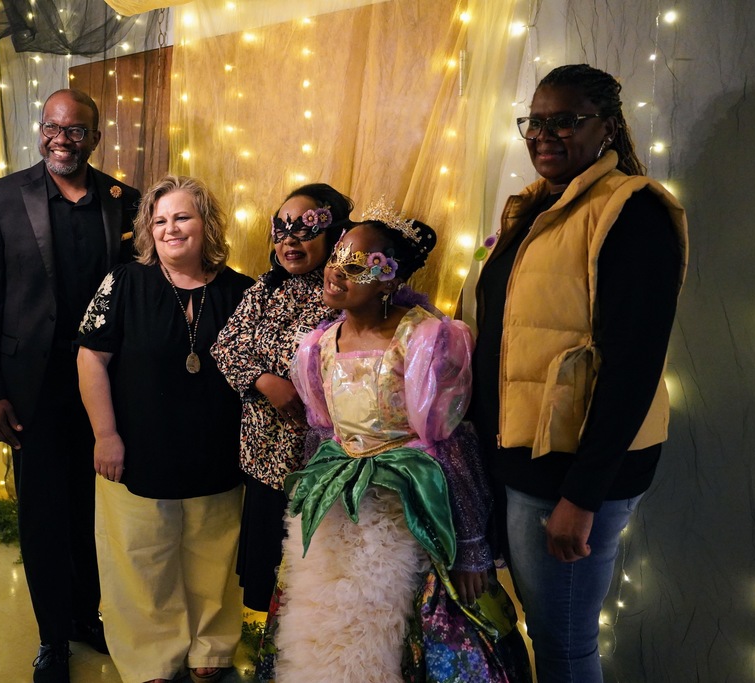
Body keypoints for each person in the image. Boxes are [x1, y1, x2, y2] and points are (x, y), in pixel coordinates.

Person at [470, 64, 688, 682]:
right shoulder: (536, 208)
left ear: (606, 127)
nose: (544, 135)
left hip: (567, 470)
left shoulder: (630, 212)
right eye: (535, 122)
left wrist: (581, 495)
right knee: (542, 630)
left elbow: (633, 365)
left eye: (565, 121)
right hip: (518, 458)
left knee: (562, 643)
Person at [272, 206, 530, 682]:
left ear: (388, 280)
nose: (336, 271)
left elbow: (451, 447)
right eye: (337, 257)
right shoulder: (316, 347)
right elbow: (323, 436)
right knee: (332, 625)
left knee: (408, 627)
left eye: (356, 264)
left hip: (411, 507)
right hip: (342, 510)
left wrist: (470, 545)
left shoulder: (425, 340)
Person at [0, 89, 141, 683]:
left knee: (94, 511)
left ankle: (87, 617)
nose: (61, 139)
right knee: (43, 515)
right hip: (30, 389)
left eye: (76, 130)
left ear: (95, 137)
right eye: (52, 127)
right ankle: (51, 638)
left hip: (104, 387)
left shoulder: (123, 201)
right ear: (41, 130)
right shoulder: (1, 197)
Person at [76, 174, 254, 683]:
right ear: (147, 231)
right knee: (141, 558)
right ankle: (152, 656)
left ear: (206, 224)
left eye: (181, 217)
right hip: (137, 448)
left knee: (214, 556)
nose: (170, 229)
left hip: (217, 450)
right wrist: (105, 435)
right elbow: (90, 360)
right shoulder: (124, 283)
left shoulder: (243, 291)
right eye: (159, 221)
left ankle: (210, 648)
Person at [210, 183, 353, 617]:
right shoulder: (266, 288)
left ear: (334, 234)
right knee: (267, 579)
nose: (290, 240)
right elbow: (225, 346)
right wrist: (263, 380)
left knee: (309, 584)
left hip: (317, 466)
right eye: (282, 230)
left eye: (304, 229)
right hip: (263, 461)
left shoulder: (344, 294)